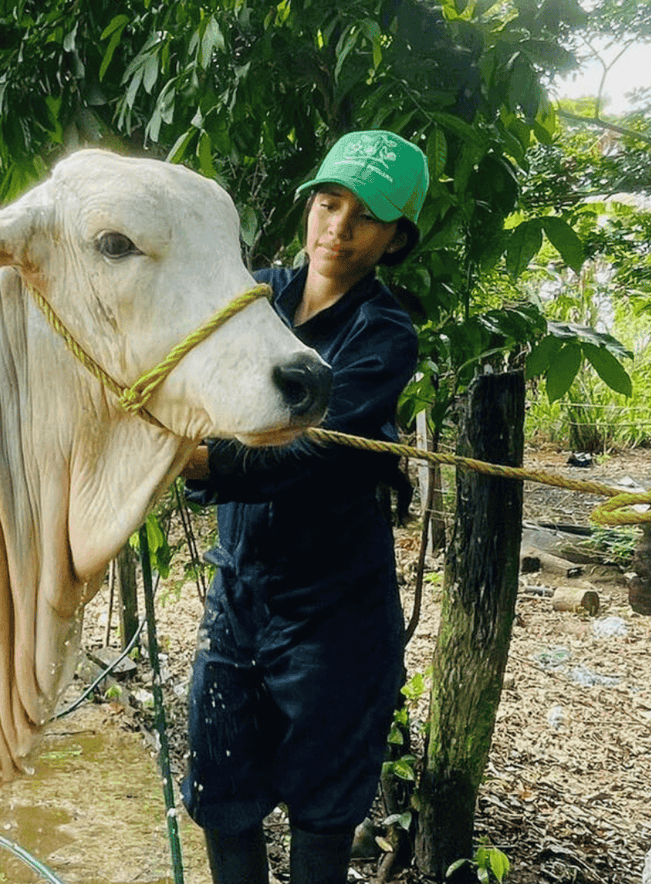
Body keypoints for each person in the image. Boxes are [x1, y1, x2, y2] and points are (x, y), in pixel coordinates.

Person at [180, 130, 428, 884]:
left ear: (395, 240)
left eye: (366, 216)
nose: (339, 228)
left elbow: (314, 448)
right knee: (222, 795)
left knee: (324, 812)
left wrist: (200, 460)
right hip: (239, 597)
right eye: (329, 202)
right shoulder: (250, 301)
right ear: (309, 207)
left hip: (335, 615)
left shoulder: (381, 335)